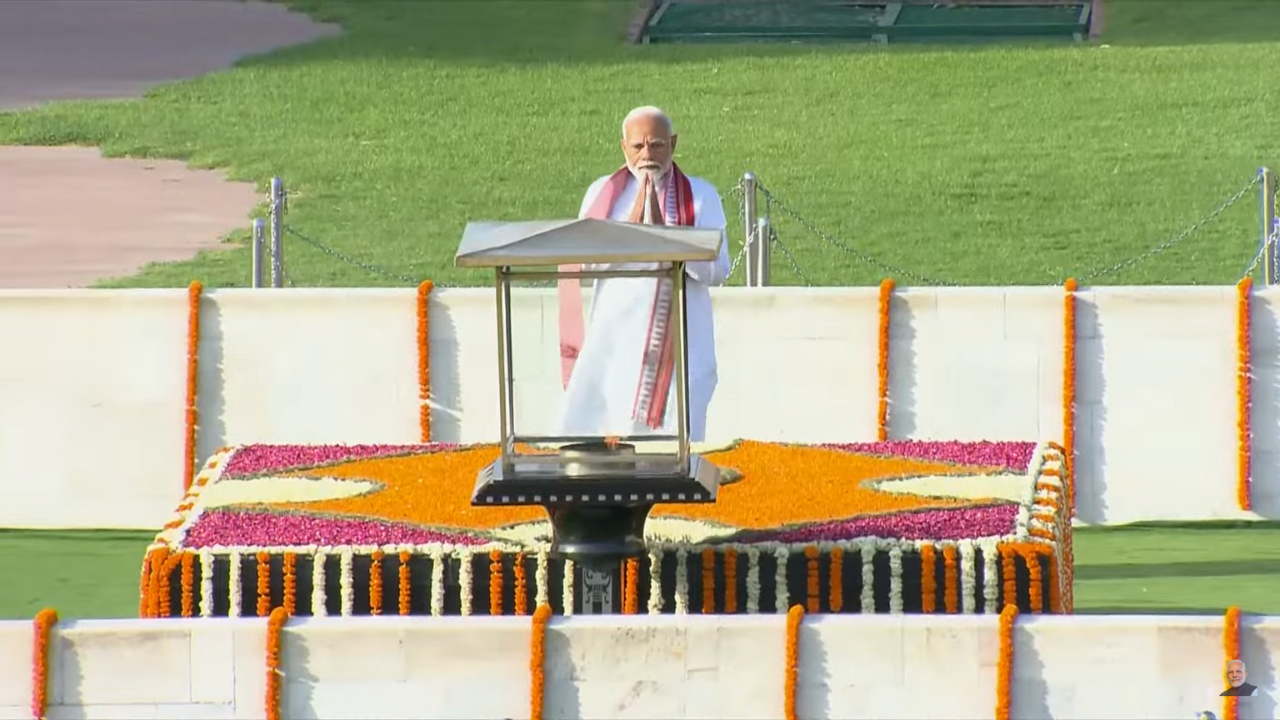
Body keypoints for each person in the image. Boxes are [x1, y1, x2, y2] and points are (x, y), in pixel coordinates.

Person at [557, 106, 731, 443]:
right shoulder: (602, 194)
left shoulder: (699, 195)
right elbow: (580, 266)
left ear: (673, 144)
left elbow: (718, 270)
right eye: (638, 147)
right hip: (615, 346)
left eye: (657, 145)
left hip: (681, 349)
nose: (647, 155)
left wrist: (669, 240)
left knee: (677, 447)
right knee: (610, 443)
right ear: (624, 148)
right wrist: (626, 233)